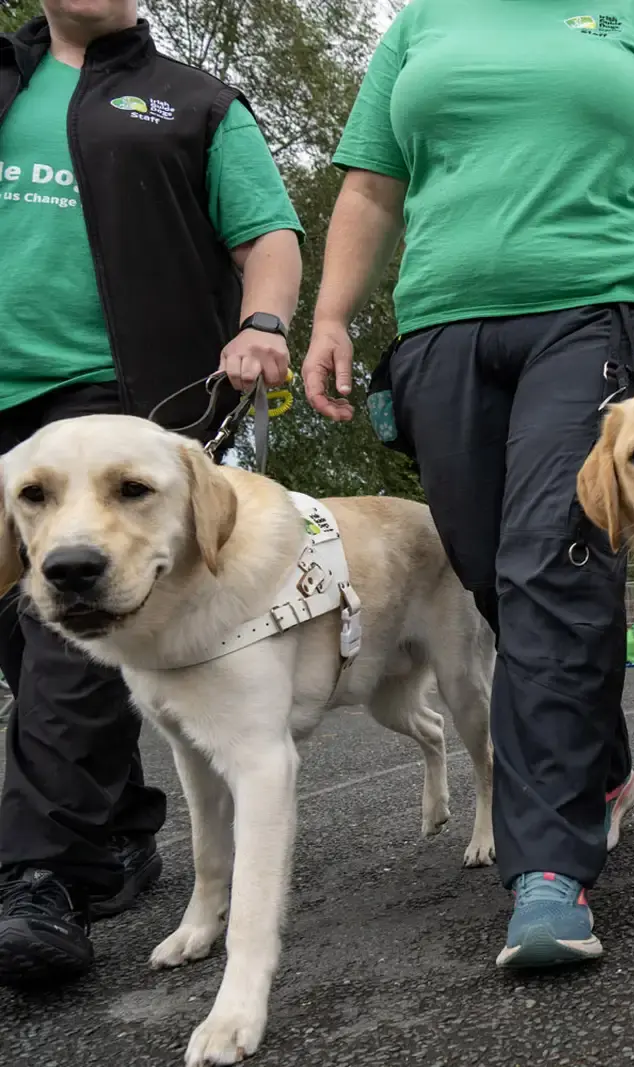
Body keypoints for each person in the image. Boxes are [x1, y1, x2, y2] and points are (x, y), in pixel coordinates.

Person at [302, 0, 634, 969]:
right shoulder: (420, 26)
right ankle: (599, 769)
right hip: (443, 324)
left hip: (600, 310)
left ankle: (549, 872)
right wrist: (332, 316)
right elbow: (369, 190)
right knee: (489, 570)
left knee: (548, 565)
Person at [0, 0, 303, 983]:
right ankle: (120, 832)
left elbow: (269, 234)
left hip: (122, 401)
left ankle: (38, 873)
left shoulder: (194, 101)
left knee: (68, 635)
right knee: (27, 637)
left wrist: (263, 320)